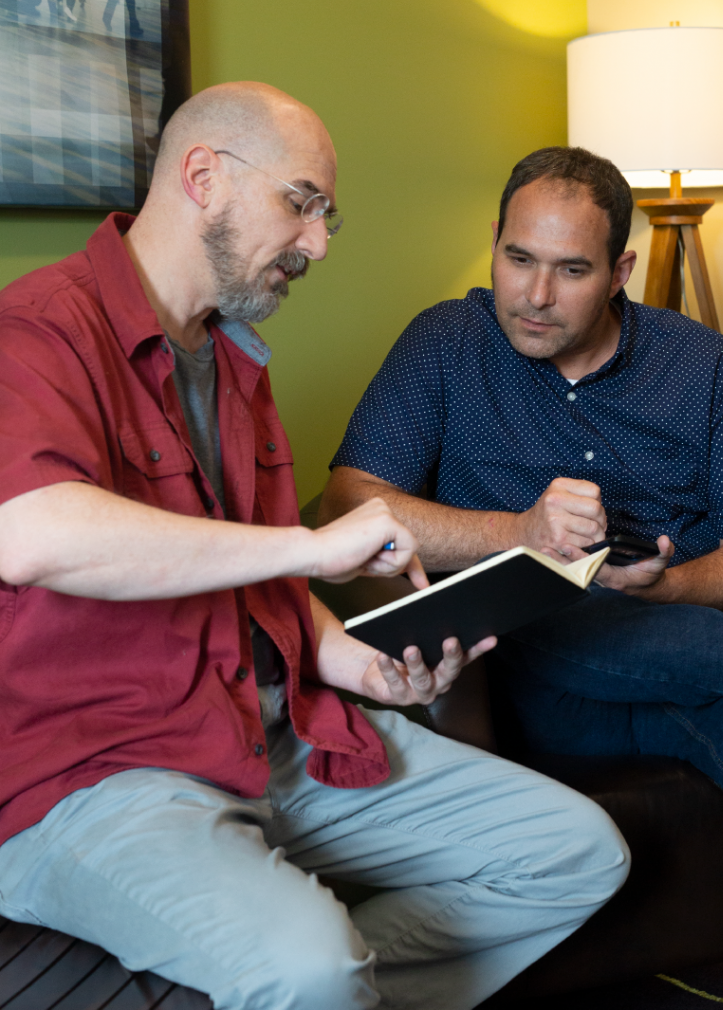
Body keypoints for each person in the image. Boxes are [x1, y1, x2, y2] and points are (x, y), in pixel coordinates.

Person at [0, 89, 629, 1010]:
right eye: (302, 202)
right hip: (100, 770)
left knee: (576, 854)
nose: (320, 242)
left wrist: (364, 670)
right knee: (310, 966)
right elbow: (30, 532)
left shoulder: (233, 357)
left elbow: (248, 592)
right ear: (203, 177)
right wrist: (307, 546)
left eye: (327, 214)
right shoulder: (37, 329)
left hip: (277, 731)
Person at [321, 146, 723, 1010]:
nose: (536, 296)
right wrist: (521, 534)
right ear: (496, 243)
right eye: (519, 259)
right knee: (556, 612)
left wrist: (671, 589)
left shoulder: (703, 367)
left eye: (572, 270)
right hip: (534, 670)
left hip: (696, 655)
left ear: (621, 271)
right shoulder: (446, 343)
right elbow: (347, 505)